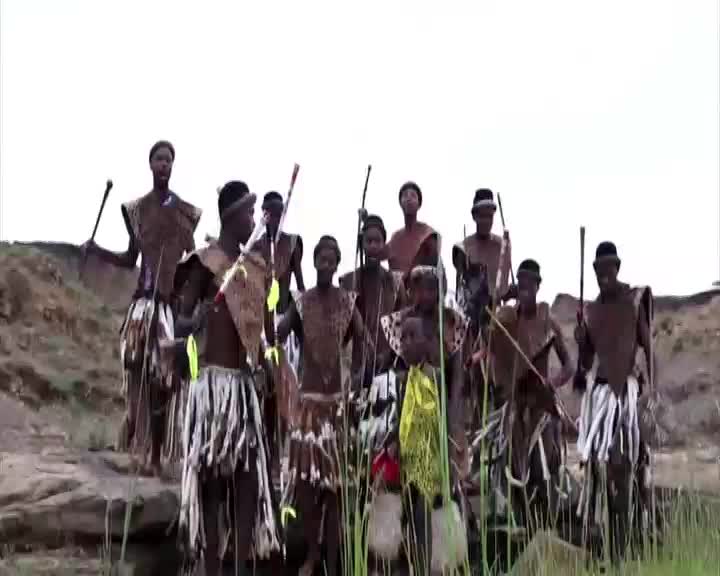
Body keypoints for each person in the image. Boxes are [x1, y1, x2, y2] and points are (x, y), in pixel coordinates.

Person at [172, 181, 280, 575]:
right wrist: (193, 321)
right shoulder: (206, 262)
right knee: (213, 487)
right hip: (213, 390)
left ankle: (239, 566)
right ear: (233, 216)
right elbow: (180, 323)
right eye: (249, 214)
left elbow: (263, 333)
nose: (253, 220)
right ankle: (212, 568)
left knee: (248, 480)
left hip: (243, 387)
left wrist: (268, 364)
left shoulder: (255, 269)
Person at [83, 140, 202, 476]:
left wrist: (192, 302)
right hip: (141, 305)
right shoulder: (137, 211)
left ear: (172, 166)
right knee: (134, 369)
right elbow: (129, 258)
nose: (163, 165)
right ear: (150, 165)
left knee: (163, 380)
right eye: (158, 159)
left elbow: (191, 262)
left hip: (167, 308)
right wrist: (96, 251)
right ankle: (134, 433)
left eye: (168, 160)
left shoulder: (184, 214)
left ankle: (156, 455)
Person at [276, 235, 372, 576]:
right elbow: (278, 333)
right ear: (314, 261)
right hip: (309, 406)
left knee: (335, 492)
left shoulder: (348, 302)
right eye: (321, 258)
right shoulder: (301, 302)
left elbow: (364, 340)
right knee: (305, 487)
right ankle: (313, 555)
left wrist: (358, 378)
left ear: (337, 264)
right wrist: (282, 370)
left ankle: (332, 560)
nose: (326, 264)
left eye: (332, 259)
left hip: (337, 408)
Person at [380, 265, 469, 576]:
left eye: (431, 289)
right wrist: (394, 434)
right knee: (413, 498)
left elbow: (455, 382)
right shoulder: (407, 327)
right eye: (418, 289)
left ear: (441, 291)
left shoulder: (450, 326)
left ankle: (451, 558)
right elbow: (402, 393)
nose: (424, 296)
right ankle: (415, 559)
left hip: (439, 426)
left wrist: (452, 428)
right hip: (412, 432)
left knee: (445, 494)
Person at [574, 241, 654, 561]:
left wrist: (652, 392)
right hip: (601, 393)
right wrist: (581, 339)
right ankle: (605, 538)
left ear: (617, 267)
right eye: (597, 269)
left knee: (631, 458)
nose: (602, 274)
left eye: (608, 268)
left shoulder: (633, 301)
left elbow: (648, 348)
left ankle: (636, 531)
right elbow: (585, 363)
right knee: (598, 463)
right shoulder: (592, 311)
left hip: (628, 392)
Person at [484, 259, 574, 530]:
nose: (524, 289)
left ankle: (547, 527)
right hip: (514, 405)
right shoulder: (507, 321)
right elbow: (490, 347)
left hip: (541, 406)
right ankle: (520, 527)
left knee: (543, 468)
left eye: (529, 284)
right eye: (520, 284)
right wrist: (501, 297)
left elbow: (569, 365)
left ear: (538, 285)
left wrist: (553, 382)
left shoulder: (549, 321)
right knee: (512, 469)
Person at [338, 214, 407, 452]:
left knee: (385, 426)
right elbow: (343, 333)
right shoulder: (349, 281)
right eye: (368, 241)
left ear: (384, 244)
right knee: (360, 427)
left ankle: (383, 478)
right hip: (360, 365)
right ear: (361, 244)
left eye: (378, 241)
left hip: (387, 365)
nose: (373, 246)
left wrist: (391, 356)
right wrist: (352, 305)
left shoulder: (395, 282)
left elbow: (403, 326)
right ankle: (360, 479)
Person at [253, 191, 306, 477]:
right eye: (268, 212)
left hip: (286, 325)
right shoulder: (256, 246)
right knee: (267, 392)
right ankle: (267, 453)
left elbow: (299, 286)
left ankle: (280, 455)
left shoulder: (293, 244)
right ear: (263, 213)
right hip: (262, 327)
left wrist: (296, 320)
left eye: (278, 211)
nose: (273, 216)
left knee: (286, 392)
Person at [384, 182, 439, 277]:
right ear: (400, 203)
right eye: (405, 195)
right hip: (397, 289)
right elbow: (377, 252)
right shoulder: (395, 237)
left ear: (419, 204)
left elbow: (434, 269)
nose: (409, 198)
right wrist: (368, 223)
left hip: (421, 288)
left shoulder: (428, 233)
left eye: (413, 195)